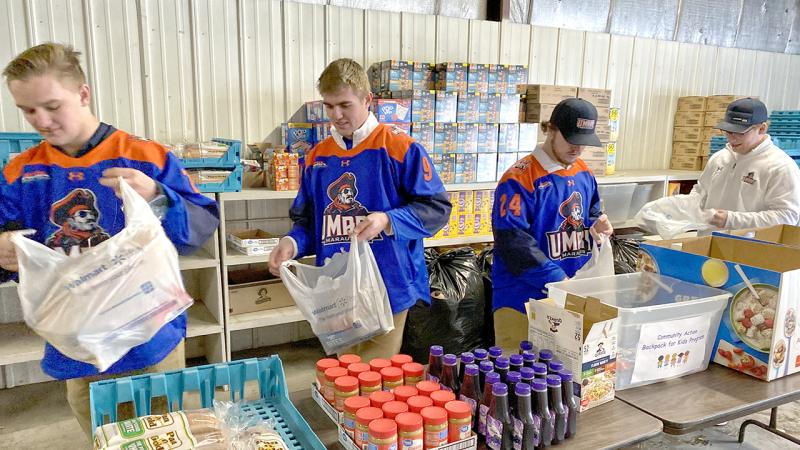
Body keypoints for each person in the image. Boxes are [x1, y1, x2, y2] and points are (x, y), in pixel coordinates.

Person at [0, 43, 219, 437]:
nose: (42, 121)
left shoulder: (144, 157)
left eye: (52, 106)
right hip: (79, 347)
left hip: (150, 339)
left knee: (164, 436)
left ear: (83, 94)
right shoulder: (19, 172)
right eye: (28, 111)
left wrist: (158, 196)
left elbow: (201, 227)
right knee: (106, 438)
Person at [268, 58, 451, 361]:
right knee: (346, 380)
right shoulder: (317, 158)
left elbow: (436, 208)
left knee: (373, 383)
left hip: (388, 287)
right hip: (338, 293)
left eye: (344, 105)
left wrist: (388, 219)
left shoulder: (400, 148)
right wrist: (292, 242)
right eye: (329, 106)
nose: (336, 115)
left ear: (367, 100)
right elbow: (309, 220)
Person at [491, 98, 613, 351]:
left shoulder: (583, 171)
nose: (578, 149)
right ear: (551, 129)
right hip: (522, 300)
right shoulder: (519, 178)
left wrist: (598, 224)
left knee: (564, 380)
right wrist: (557, 281)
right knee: (519, 375)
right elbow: (513, 243)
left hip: (570, 297)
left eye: (584, 142)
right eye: (572, 140)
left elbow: (591, 211)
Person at [700, 98, 800, 229]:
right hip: (707, 243)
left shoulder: (780, 167)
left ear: (762, 128)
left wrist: (731, 220)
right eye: (728, 131)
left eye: (740, 132)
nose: (731, 138)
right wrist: (681, 207)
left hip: (749, 247)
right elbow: (701, 191)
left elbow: (787, 217)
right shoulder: (719, 158)